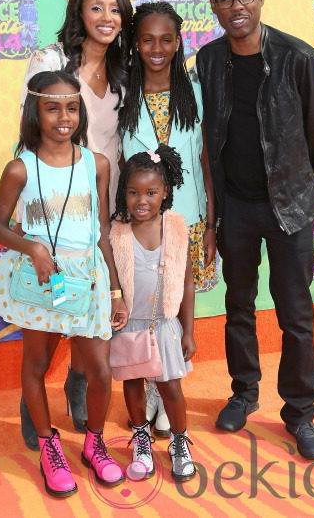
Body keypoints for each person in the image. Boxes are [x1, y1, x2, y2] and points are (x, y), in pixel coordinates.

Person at [196, 0, 314, 460]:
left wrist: (292, 184)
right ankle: (243, 393)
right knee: (239, 306)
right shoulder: (208, 61)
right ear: (213, 5)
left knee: (296, 317)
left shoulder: (299, 59)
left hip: (289, 212)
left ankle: (300, 414)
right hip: (235, 209)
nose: (236, 6)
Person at [0, 71, 128, 497]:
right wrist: (33, 248)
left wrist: (116, 290)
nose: (63, 117)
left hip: (86, 277)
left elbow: (101, 231)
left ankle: (95, 443)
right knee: (36, 365)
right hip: (44, 280)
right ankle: (49, 445)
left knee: (101, 370)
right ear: (35, 111)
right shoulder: (19, 169)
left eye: (71, 107)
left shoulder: (95, 163)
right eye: (52, 108)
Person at [18, 0, 133, 447]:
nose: (107, 18)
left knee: (89, 309)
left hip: (99, 208)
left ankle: (79, 385)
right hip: (52, 207)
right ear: (79, 13)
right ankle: (32, 401)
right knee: (49, 303)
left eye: (115, 8)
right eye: (97, 7)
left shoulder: (126, 73)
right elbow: (26, 129)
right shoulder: (51, 60)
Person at [118, 1, 216, 436]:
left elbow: (205, 157)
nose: (156, 48)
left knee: (175, 305)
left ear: (179, 43)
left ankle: (162, 392)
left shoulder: (194, 92)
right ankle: (151, 383)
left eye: (166, 39)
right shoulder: (122, 94)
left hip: (186, 217)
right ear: (135, 44)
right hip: (140, 222)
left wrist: (211, 221)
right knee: (144, 304)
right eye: (146, 40)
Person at [110, 145, 197, 482]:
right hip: (129, 324)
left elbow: (187, 282)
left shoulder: (175, 227)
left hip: (164, 325)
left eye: (151, 192)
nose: (141, 200)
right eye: (132, 192)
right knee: (133, 384)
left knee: (171, 388)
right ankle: (142, 439)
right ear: (123, 193)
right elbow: (111, 279)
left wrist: (187, 331)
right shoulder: (117, 231)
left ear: (165, 193)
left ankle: (179, 442)